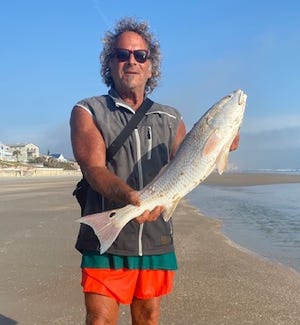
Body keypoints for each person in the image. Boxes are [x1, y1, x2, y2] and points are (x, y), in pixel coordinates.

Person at [70, 17, 239, 325]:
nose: (131, 61)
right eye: (122, 54)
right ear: (109, 63)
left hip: (155, 238)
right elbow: (93, 168)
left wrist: (223, 144)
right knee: (99, 320)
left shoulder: (171, 117)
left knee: (148, 319)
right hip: (107, 235)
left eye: (140, 55)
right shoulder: (88, 111)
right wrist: (130, 198)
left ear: (151, 66)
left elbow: (186, 164)